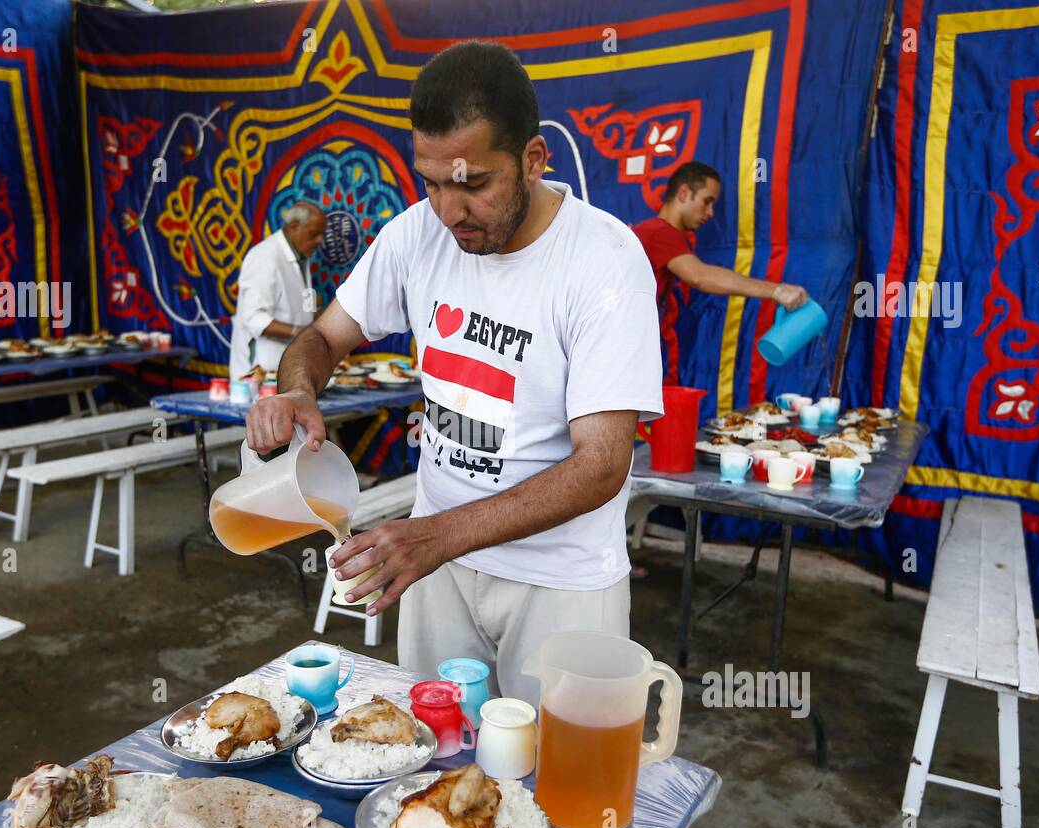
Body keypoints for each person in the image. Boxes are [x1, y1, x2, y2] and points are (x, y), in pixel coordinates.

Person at [244, 41, 663, 705]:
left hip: (561, 581)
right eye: (432, 184)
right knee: (432, 775)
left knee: (556, 788)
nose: (449, 211)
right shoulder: (418, 235)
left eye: (473, 184)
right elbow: (323, 335)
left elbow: (603, 465)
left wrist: (438, 535)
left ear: (532, 159)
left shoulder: (604, 261)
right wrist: (296, 389)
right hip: (437, 565)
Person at [633, 162, 810, 384]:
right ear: (684, 193)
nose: (710, 213)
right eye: (707, 201)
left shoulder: (652, 232)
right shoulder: (659, 232)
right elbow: (700, 276)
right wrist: (777, 291)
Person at [229, 200, 327, 379]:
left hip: (288, 367)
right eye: (314, 233)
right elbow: (254, 318)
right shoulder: (264, 257)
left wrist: (329, 316)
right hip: (260, 371)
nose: (320, 240)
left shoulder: (303, 258)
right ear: (294, 227)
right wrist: (300, 332)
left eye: (322, 234)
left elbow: (307, 310)